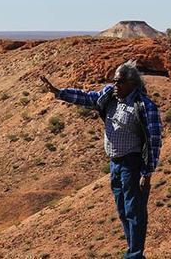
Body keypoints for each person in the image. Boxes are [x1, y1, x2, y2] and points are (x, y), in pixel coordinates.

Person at [40, 60, 163, 259]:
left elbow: (154, 141)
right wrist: (59, 92)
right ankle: (133, 252)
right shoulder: (110, 97)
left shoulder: (144, 106)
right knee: (123, 210)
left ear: (132, 83)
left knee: (135, 210)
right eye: (114, 81)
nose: (116, 85)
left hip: (132, 164)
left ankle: (135, 255)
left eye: (119, 82)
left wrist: (147, 173)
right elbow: (88, 98)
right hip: (114, 162)